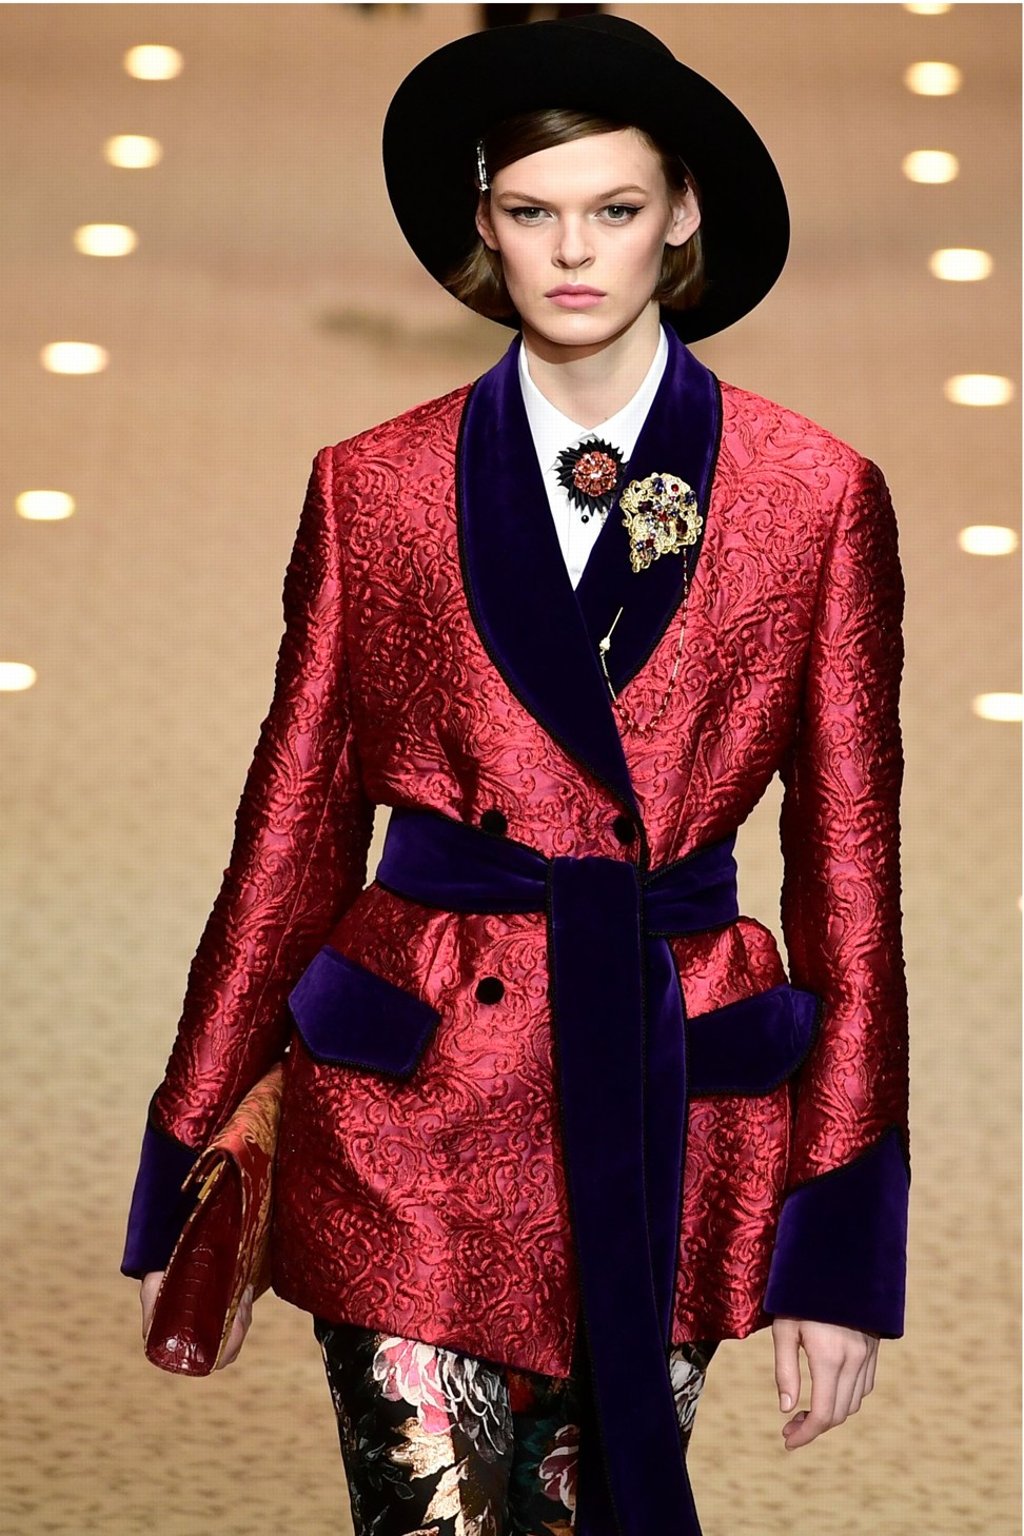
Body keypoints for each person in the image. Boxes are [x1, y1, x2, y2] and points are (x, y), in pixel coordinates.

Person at [122, 14, 910, 1535]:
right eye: (532, 213)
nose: (573, 255)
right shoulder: (378, 483)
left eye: (615, 211)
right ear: (480, 220)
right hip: (412, 1091)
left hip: (665, 1096)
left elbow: (853, 877)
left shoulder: (814, 496)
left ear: (681, 214)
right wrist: (196, 1138)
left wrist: (839, 1240)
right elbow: (288, 825)